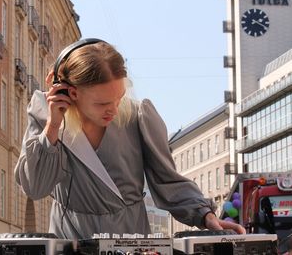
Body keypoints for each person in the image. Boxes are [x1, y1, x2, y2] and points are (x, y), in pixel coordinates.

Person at [14, 38, 245, 239]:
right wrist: (53, 126)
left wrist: (205, 215)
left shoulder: (138, 116)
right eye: (102, 103)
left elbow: (168, 180)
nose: (113, 110)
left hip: (132, 236)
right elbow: (35, 188)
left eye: (119, 98)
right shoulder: (45, 116)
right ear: (71, 93)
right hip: (71, 238)